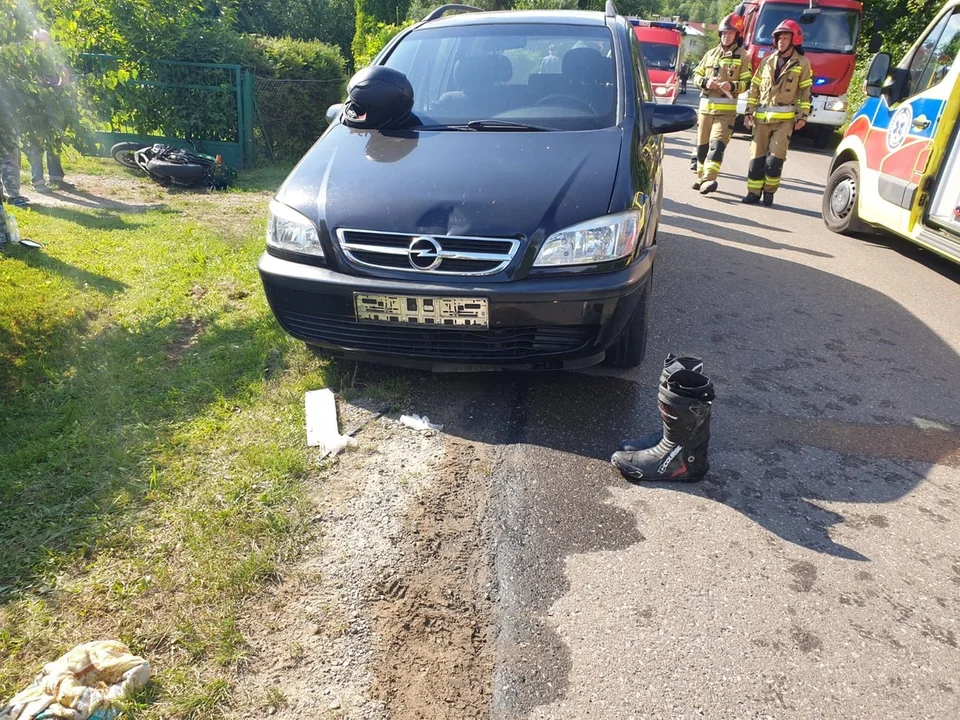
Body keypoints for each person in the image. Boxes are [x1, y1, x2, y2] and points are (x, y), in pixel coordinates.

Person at [741, 19, 812, 206]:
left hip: (784, 121)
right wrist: (749, 112)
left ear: (794, 40)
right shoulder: (767, 61)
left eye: (785, 38)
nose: (781, 41)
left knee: (775, 160)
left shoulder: (802, 63)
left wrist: (803, 115)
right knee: (756, 158)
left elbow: (805, 92)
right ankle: (753, 193)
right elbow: (755, 88)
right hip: (761, 119)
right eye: (779, 38)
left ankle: (769, 192)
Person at [690, 14, 753, 195]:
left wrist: (731, 85)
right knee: (702, 146)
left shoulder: (743, 57)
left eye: (730, 33)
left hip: (725, 112)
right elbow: (696, 75)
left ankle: (710, 179)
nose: (726, 36)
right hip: (705, 109)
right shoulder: (710, 54)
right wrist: (705, 82)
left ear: (737, 35)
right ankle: (701, 177)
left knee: (717, 145)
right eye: (724, 33)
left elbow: (747, 82)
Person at [25, 29, 73, 193]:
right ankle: (38, 181)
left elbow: (64, 75)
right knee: (36, 143)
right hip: (35, 106)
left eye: (46, 40)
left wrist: (63, 83)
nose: (44, 44)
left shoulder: (53, 57)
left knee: (54, 141)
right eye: (40, 40)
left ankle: (56, 178)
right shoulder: (28, 57)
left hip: (54, 104)